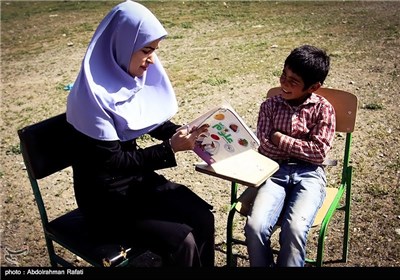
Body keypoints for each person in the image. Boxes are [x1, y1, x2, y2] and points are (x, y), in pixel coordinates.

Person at [66, 1, 214, 267]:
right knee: (183, 241)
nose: (152, 60)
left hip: (135, 183)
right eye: (146, 50)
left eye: (155, 50)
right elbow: (114, 162)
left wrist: (180, 131)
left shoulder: (124, 75)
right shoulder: (89, 98)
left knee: (203, 216)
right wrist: (170, 147)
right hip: (106, 200)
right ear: (122, 44)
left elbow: (144, 119)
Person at [244, 45, 335, 267]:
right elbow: (264, 147)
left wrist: (279, 138)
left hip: (310, 175)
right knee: (254, 226)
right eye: (283, 76)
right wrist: (299, 146)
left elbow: (319, 152)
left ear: (313, 87)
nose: (284, 83)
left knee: (294, 228)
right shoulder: (269, 105)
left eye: (293, 81)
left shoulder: (323, 109)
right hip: (274, 171)